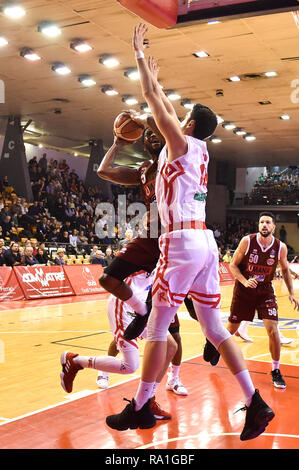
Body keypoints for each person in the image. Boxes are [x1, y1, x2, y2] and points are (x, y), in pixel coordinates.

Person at [104, 23, 274, 440]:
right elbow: (159, 103)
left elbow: (150, 101)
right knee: (214, 328)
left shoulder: (179, 144)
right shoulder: (197, 148)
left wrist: (141, 58)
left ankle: (141, 407)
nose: (174, 120)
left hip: (179, 242)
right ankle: (256, 403)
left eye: (182, 118)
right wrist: (160, 85)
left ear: (191, 125)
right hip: (204, 242)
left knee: (157, 326)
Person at [97, 114, 194, 396]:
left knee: (176, 332)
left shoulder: (179, 157)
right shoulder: (144, 170)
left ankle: (171, 380)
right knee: (108, 278)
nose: (151, 136)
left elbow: (169, 131)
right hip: (151, 238)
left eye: (157, 133)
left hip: (177, 240)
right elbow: (105, 170)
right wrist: (117, 142)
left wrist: (146, 119)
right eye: (147, 135)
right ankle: (140, 312)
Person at [60, 270, 177, 420]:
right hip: (125, 305)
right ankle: (75, 361)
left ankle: (148, 400)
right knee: (130, 366)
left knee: (171, 346)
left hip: (144, 307)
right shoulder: (146, 251)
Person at [204, 212, 299, 389]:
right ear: (258, 225)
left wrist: (292, 293)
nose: (264, 225)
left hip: (265, 291)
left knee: (273, 330)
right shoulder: (247, 241)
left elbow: (286, 270)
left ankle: (276, 370)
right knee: (232, 328)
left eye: (268, 222)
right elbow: (232, 265)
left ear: (273, 227)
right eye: (261, 222)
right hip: (244, 290)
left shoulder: (280, 247)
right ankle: (215, 345)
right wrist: (245, 281)